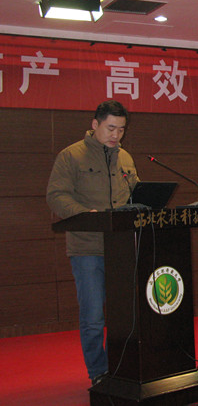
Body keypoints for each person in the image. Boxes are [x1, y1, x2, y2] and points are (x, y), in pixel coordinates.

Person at [46, 100, 138, 386]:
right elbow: (56, 196)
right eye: (110, 128)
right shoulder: (71, 156)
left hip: (122, 247)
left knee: (125, 315)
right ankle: (98, 372)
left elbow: (135, 194)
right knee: (94, 317)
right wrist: (87, 214)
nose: (116, 135)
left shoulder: (125, 158)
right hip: (87, 248)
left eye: (121, 130)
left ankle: (120, 367)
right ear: (95, 124)